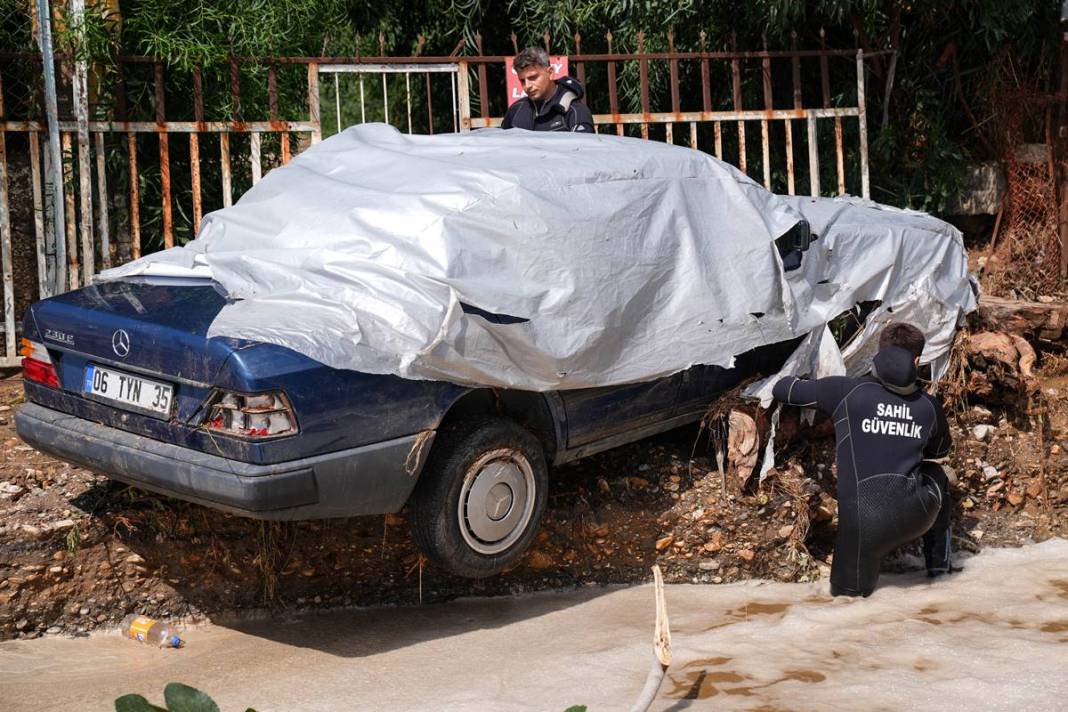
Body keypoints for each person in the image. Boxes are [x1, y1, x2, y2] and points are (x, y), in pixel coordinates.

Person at [772, 322, 953, 597]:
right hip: (915, 516)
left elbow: (784, 389)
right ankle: (940, 574)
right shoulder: (929, 406)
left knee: (846, 607)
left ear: (878, 354)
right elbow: (939, 452)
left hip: (861, 528)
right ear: (916, 362)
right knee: (937, 474)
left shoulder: (846, 391)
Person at [501, 47, 594, 133]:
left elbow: (584, 149)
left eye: (533, 77)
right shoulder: (515, 110)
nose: (527, 86)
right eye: (522, 80)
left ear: (550, 73)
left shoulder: (575, 111)